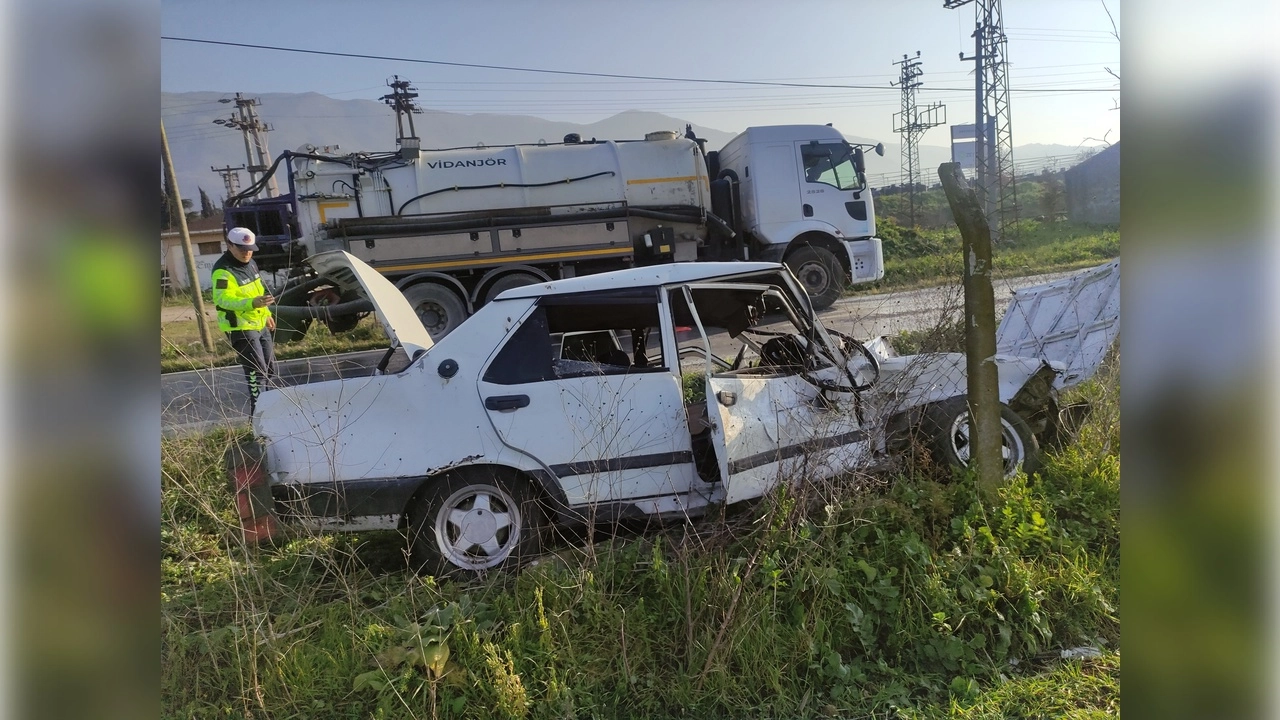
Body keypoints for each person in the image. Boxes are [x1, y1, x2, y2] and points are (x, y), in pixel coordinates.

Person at [211, 227, 277, 414]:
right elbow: (222, 300)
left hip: (259, 323)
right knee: (257, 373)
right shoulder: (223, 271)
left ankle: (272, 412)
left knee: (270, 370)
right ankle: (258, 418)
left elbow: (258, 292)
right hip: (241, 327)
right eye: (241, 249)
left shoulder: (251, 263)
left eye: (250, 249)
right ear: (229, 245)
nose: (246, 253)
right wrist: (251, 303)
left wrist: (266, 314)